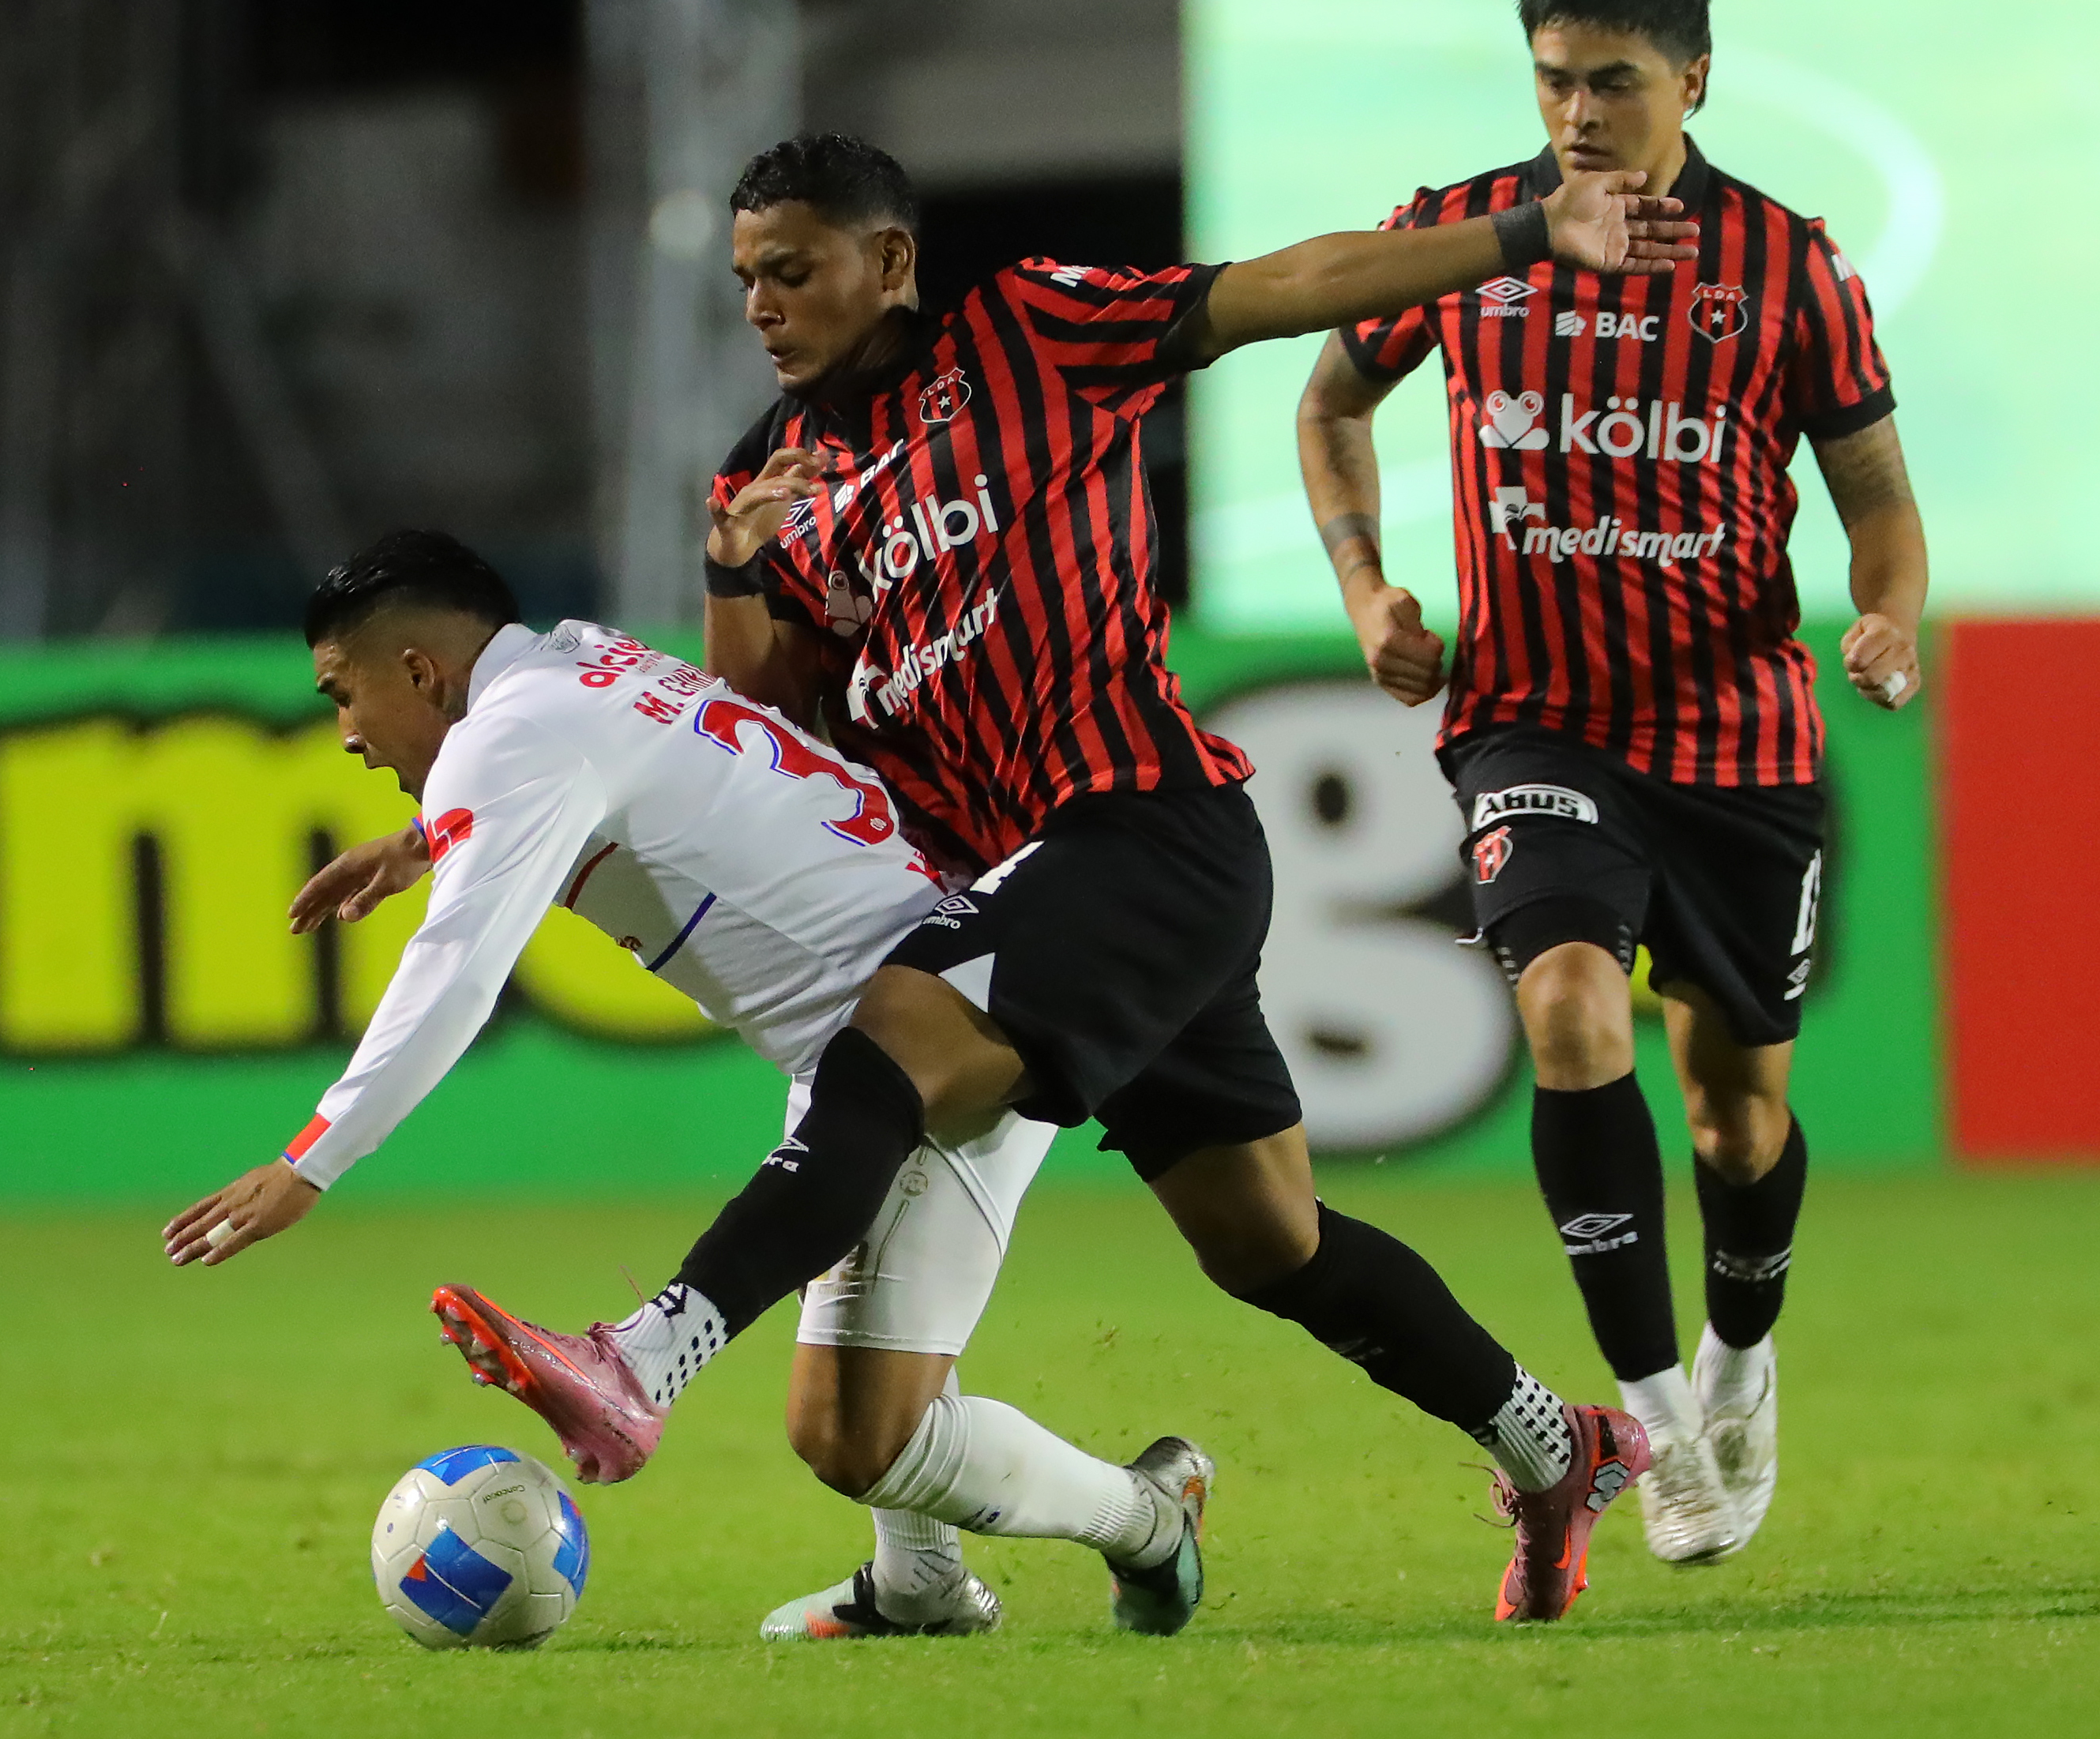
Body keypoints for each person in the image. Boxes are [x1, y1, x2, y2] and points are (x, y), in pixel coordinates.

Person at [437, 131, 1698, 1624]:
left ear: (891, 263)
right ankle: (1560, 1446)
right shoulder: (778, 475)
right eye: (745, 279)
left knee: (891, 1043)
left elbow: (1278, 288)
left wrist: (1529, 236)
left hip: (1143, 826)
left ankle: (644, 1358)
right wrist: (729, 570)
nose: (762, 305)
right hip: (1047, 888)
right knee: (1271, 1242)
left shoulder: (1026, 333)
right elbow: (774, 735)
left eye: (794, 269)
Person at [167, 529, 1204, 1640]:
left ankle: (1147, 1518)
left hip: (930, 1034)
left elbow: (456, 970)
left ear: (419, 671)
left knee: (858, 1432)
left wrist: (308, 1160)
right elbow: (610, 763)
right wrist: (429, 838)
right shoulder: (576, 661)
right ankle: (919, 1584)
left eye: (344, 693)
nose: (347, 733)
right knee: (870, 1374)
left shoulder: (512, 736)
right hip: (907, 992)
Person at [1294, 0, 1923, 1564]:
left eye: (1613, 82)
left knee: (1735, 1123)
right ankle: (1645, 1414)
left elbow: (1876, 502)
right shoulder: (1457, 236)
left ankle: (1736, 1357)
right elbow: (1330, 402)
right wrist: (1367, 588)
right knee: (1568, 1011)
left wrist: (1889, 614)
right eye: (1553, 79)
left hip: (1737, 745)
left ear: (1690, 81)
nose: (1577, 110)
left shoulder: (1788, 265)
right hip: (1533, 730)